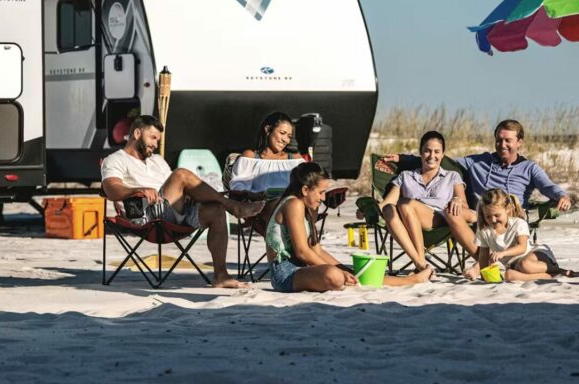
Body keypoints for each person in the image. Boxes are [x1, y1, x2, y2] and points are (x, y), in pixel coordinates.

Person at [101, 115, 264, 289]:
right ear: (137, 133)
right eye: (153, 138)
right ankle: (232, 205)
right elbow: (111, 189)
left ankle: (221, 275)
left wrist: (188, 194)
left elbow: (174, 188)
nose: (156, 145)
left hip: (175, 212)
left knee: (216, 210)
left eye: (158, 140)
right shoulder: (115, 160)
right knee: (181, 174)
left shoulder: (157, 160)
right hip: (147, 216)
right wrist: (137, 190)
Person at [266, 162, 433, 292]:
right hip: (285, 272)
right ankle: (413, 280)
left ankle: (412, 280)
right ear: (305, 189)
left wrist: (344, 269)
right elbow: (302, 251)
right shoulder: (293, 204)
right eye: (321, 192)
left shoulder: (307, 208)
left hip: (303, 268)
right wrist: (337, 271)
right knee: (335, 276)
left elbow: (316, 250)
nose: (323, 198)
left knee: (354, 275)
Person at [379, 119, 571, 212]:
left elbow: (547, 186)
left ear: (519, 142)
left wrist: (561, 196)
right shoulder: (479, 162)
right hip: (481, 219)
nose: (502, 145)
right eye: (499, 140)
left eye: (508, 141)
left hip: (511, 218)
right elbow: (442, 161)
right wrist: (404, 159)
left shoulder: (529, 168)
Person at [378, 131, 477, 273]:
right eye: (427, 151)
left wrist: (457, 199)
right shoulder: (405, 176)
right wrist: (370, 208)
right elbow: (388, 202)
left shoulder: (452, 176)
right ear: (420, 153)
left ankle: (420, 262)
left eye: (437, 152)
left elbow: (464, 206)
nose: (432, 156)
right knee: (388, 209)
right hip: (408, 220)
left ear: (443, 154)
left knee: (405, 203)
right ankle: (421, 264)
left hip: (440, 219)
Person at [465, 188, 565, 281]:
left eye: (497, 215)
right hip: (515, 265)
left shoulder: (518, 224)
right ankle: (546, 276)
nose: (493, 220)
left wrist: (503, 253)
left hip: (537, 256)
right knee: (509, 275)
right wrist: (484, 275)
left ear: (507, 209)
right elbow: (483, 255)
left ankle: (556, 270)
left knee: (525, 265)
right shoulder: (484, 230)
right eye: (488, 217)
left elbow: (522, 247)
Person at [229, 111, 307, 193]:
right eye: (282, 133)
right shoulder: (250, 156)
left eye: (289, 136)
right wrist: (253, 196)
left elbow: (308, 186)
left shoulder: (296, 159)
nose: (286, 140)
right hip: (259, 204)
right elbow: (238, 186)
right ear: (267, 129)